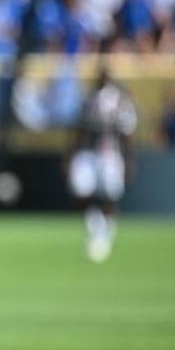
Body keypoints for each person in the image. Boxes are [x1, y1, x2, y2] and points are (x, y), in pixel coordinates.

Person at [66, 65, 136, 263]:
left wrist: (129, 160)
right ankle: (96, 224)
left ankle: (107, 232)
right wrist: (70, 156)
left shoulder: (119, 101)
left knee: (109, 195)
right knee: (81, 191)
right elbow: (77, 130)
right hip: (87, 151)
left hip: (109, 153)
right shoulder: (88, 99)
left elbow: (126, 133)